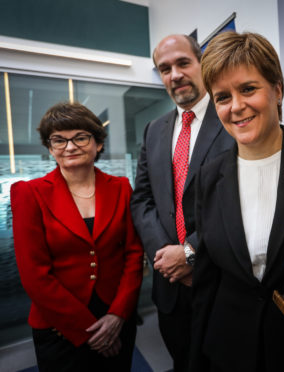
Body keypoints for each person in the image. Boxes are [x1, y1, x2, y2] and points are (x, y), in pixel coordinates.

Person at [189, 31, 284, 372]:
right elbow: (207, 279)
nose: (236, 107)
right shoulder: (208, 177)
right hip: (229, 348)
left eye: (248, 89)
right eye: (223, 97)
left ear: (277, 90)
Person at [10, 102, 143, 371]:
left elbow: (133, 255)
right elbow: (34, 274)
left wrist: (118, 314)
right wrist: (87, 331)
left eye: (80, 137)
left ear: (98, 143)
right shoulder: (28, 193)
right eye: (59, 140)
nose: (70, 147)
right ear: (50, 148)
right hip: (60, 325)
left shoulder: (121, 187)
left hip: (116, 316)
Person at [130, 34, 234, 371]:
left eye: (183, 63)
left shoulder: (233, 118)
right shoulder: (153, 130)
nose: (174, 74)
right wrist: (166, 256)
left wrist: (190, 253)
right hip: (170, 288)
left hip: (221, 282)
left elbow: (241, 200)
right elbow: (142, 199)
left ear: (201, 63)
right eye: (164, 68)